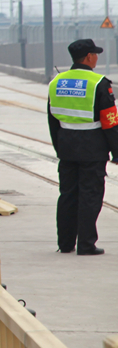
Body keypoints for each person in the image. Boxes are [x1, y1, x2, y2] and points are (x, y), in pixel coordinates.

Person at [48, 39, 118, 255]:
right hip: (92, 149)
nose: (97, 57)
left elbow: (52, 121)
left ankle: (66, 243)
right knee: (90, 195)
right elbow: (110, 122)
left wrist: (59, 148)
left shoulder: (57, 82)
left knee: (67, 194)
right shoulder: (99, 84)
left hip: (67, 147)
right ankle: (87, 244)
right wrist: (116, 152)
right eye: (95, 54)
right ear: (89, 57)